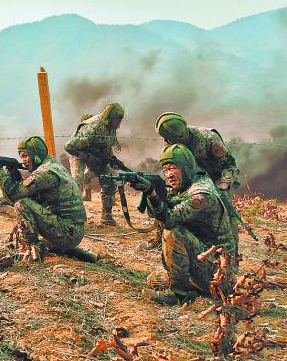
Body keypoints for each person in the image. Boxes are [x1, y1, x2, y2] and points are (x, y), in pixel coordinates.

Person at [129, 144, 237, 305]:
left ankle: (179, 294)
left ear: (186, 168)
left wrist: (152, 193)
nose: (169, 174)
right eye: (165, 170)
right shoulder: (189, 182)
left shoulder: (201, 194)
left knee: (172, 231)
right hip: (207, 260)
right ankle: (191, 284)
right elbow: (160, 211)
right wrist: (153, 193)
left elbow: (170, 219)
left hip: (220, 274)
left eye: (173, 168)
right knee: (154, 279)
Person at [0, 136, 91, 260]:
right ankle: (59, 247)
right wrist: (14, 177)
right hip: (72, 230)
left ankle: (32, 249)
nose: (23, 161)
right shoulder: (52, 165)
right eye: (21, 157)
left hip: (68, 233)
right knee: (25, 201)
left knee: (21, 204)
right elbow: (27, 194)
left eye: (25, 156)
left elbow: (15, 195)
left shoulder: (45, 172)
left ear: (36, 155)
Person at [154, 112, 244, 239]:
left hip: (217, 178)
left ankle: (230, 248)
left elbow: (229, 166)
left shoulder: (209, 138)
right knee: (167, 201)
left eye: (167, 138)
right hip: (191, 178)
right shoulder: (171, 143)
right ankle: (161, 240)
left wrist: (223, 187)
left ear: (178, 135)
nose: (165, 141)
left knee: (224, 209)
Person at [64, 102, 125, 225]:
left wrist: (112, 159)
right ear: (109, 118)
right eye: (117, 120)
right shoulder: (93, 127)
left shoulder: (111, 129)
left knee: (109, 179)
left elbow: (108, 146)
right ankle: (74, 218)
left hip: (95, 155)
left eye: (120, 120)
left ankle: (106, 217)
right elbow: (69, 147)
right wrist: (86, 157)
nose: (119, 124)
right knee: (77, 181)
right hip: (78, 154)